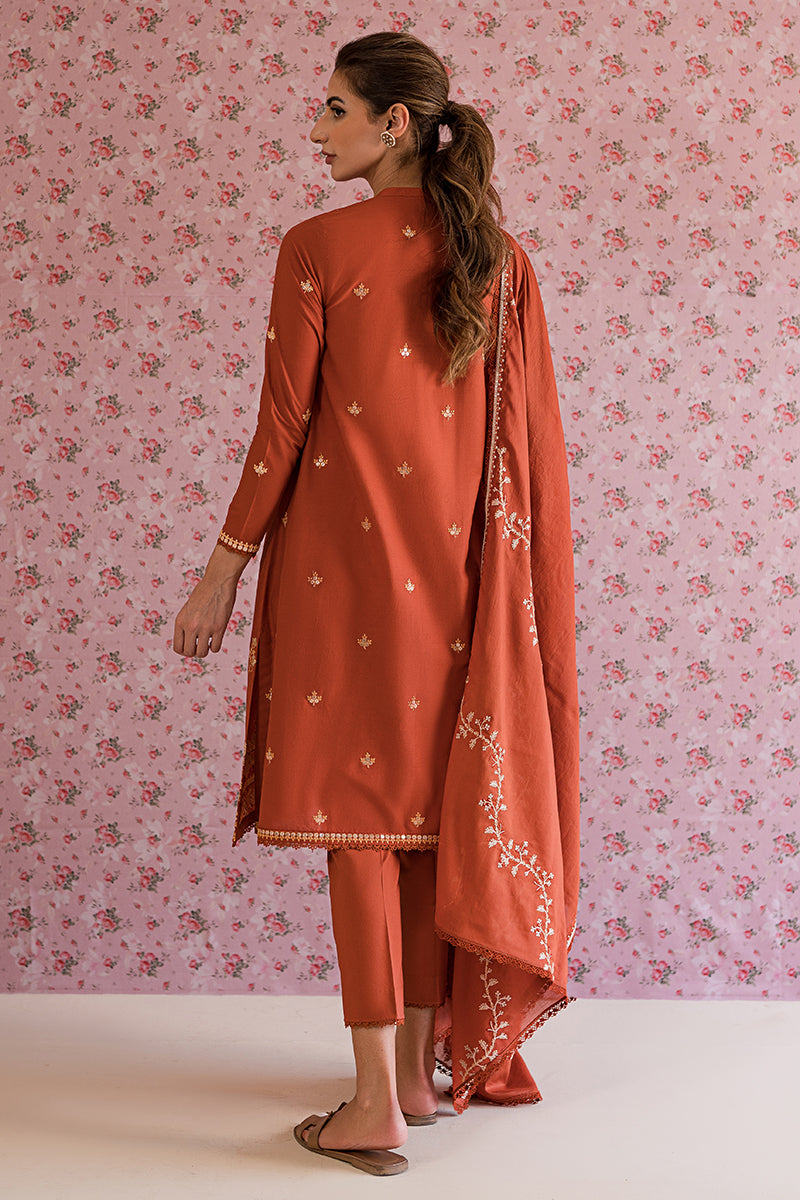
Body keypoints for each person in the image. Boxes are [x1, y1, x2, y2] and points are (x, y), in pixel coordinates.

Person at [173, 30, 580, 1178]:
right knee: (416, 829)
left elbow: (280, 430)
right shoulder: (497, 257)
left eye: (335, 110)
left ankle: (370, 1106)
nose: (316, 132)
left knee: (356, 831)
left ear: (393, 123)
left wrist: (221, 568)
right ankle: (408, 1074)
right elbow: (527, 453)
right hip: (463, 592)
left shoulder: (316, 247)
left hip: (339, 580)